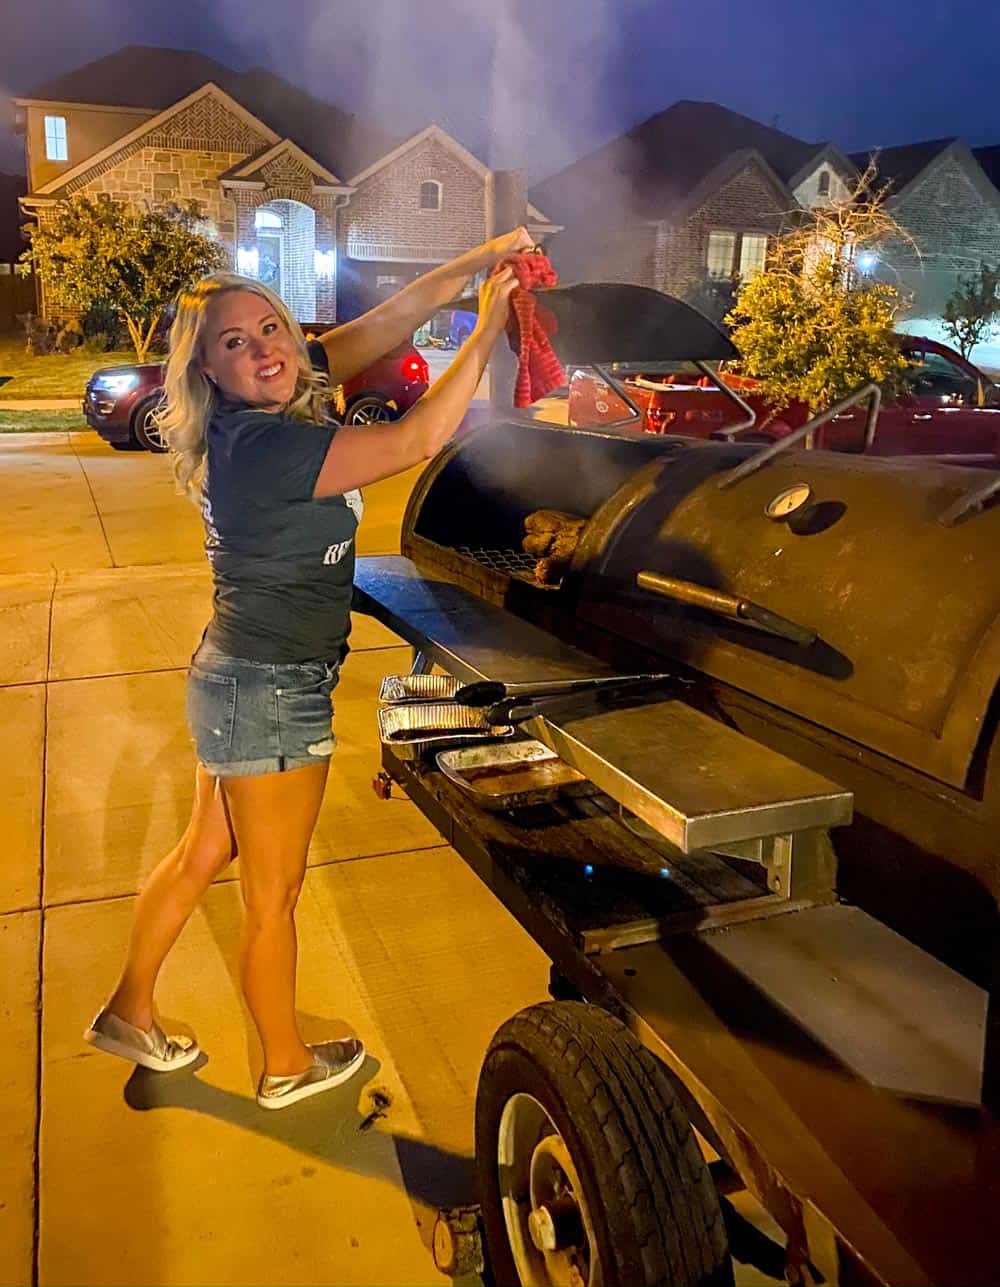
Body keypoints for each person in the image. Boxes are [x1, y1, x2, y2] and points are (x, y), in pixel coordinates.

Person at [84, 226, 531, 1109]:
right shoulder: (265, 445)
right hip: (273, 689)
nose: (264, 351)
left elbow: (395, 317)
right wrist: (486, 330)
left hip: (236, 675)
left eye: (272, 329)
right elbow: (413, 441)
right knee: (272, 894)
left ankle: (129, 1008)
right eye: (235, 343)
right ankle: (285, 1063)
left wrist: (475, 261)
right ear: (206, 368)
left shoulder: (275, 401)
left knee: (201, 850)